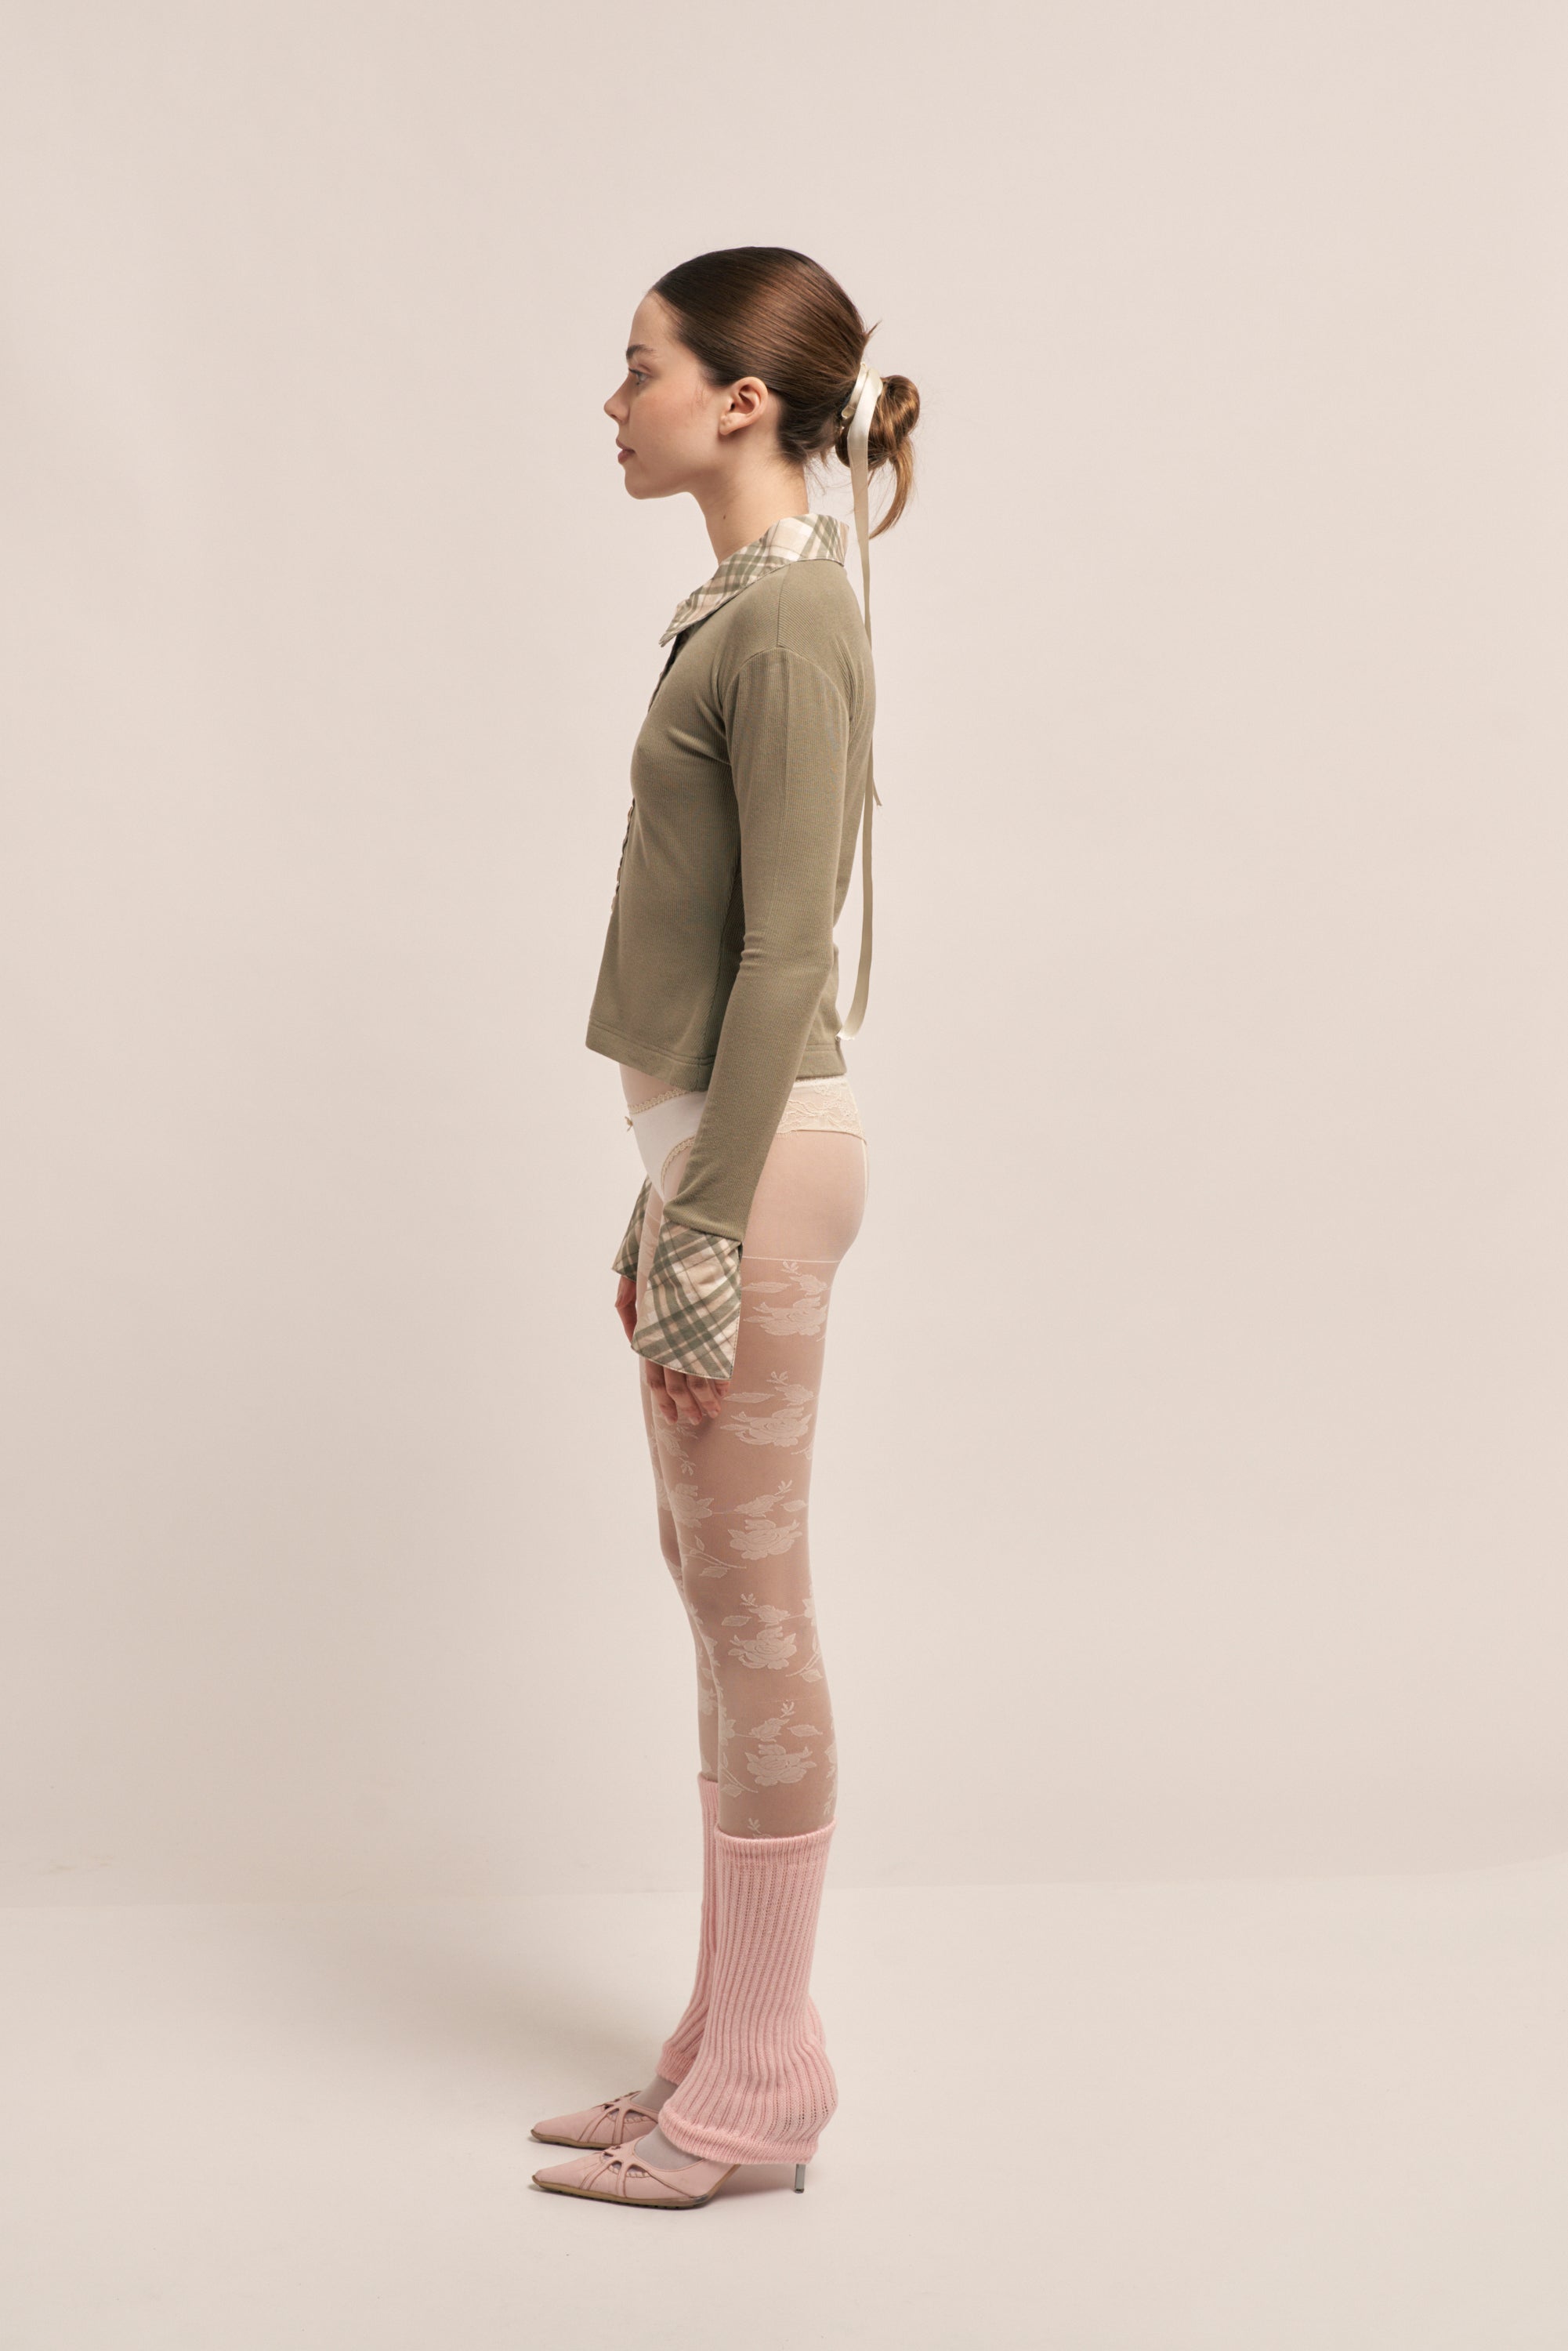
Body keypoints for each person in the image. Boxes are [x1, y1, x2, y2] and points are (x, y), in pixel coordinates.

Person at [531, 247, 918, 2212]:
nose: (613, 406)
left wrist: (698, 1207)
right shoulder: (747, 603)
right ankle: (719, 2039)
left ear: (739, 399)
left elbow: (787, 951)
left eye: (639, 370)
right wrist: (664, 1186)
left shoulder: (788, 616)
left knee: (757, 1616)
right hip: (715, 1154)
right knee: (710, 1591)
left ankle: (763, 2086)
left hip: (754, 1169)